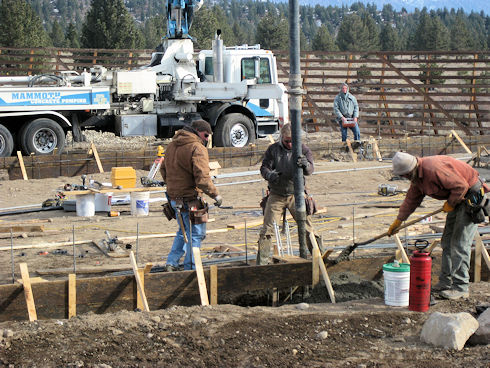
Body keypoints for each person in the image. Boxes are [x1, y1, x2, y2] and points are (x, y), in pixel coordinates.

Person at [387, 152, 489, 300]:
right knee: (447, 241)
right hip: (457, 200)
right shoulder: (417, 178)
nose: (405, 178)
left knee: (459, 243)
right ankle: (445, 282)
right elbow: (411, 200)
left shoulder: (433, 169)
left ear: (410, 170)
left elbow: (461, 186)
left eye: (405, 175)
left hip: (469, 197)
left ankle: (460, 287)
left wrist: (450, 203)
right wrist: (399, 221)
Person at [256, 123, 322, 265]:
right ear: (281, 138)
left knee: (307, 228)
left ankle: (319, 258)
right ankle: (261, 264)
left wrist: (305, 165)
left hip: (296, 194)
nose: (290, 144)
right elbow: (264, 168)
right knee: (267, 230)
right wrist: (269, 175)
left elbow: (310, 170)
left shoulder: (303, 149)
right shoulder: (273, 150)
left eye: (293, 141)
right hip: (277, 194)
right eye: (287, 141)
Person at [161, 119, 222, 271]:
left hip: (174, 199)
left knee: (183, 231)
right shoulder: (197, 148)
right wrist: (215, 195)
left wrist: (174, 187)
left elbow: (163, 170)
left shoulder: (172, 145)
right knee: (195, 234)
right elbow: (202, 178)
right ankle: (191, 268)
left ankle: (172, 262)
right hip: (191, 200)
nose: (207, 139)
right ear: (197, 131)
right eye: (206, 136)